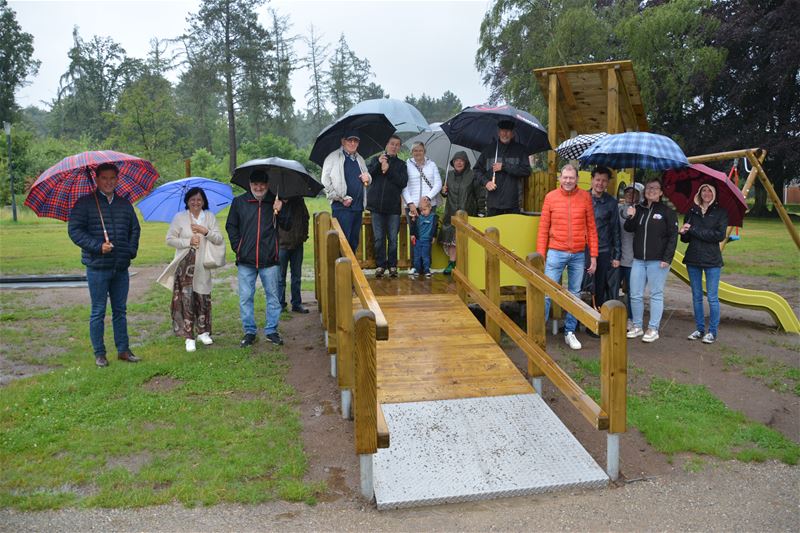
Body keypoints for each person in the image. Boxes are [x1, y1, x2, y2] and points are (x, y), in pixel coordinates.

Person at [67, 162, 141, 367]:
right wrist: (98, 246)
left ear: (117, 180)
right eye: (104, 178)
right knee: (98, 310)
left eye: (112, 178)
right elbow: (75, 231)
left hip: (120, 267)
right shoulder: (84, 204)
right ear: (97, 179)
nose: (109, 182)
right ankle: (100, 353)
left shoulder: (125, 204)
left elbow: (135, 230)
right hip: (97, 267)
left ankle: (123, 350)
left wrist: (130, 251)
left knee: (120, 310)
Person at [226, 170, 291, 347]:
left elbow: (287, 225)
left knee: (273, 297)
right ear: (250, 184)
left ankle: (271, 330)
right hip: (245, 260)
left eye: (262, 184)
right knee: (246, 297)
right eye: (255, 184)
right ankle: (249, 331)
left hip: (269, 260)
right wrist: (237, 247)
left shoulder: (275, 201)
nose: (259, 187)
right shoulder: (239, 202)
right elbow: (231, 226)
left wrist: (281, 210)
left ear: (267, 185)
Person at [536, 164, 598, 350]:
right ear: (560, 178)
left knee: (575, 295)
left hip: (579, 254)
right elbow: (543, 228)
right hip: (555, 252)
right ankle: (538, 331)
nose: (568, 180)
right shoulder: (550, 197)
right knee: (546, 293)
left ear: (577, 179)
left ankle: (569, 332)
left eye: (572, 177)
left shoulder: (585, 197)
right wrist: (541, 255)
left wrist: (593, 256)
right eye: (565, 177)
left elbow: (592, 229)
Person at [158, 187, 224, 352]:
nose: (196, 202)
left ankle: (203, 332)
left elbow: (219, 238)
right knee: (186, 299)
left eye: (199, 200)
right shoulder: (180, 218)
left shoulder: (209, 216)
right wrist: (188, 241)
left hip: (203, 265)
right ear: (187, 201)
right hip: (185, 264)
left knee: (203, 297)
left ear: (204, 201)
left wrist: (205, 231)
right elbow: (170, 239)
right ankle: (189, 337)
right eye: (192, 200)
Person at [623, 177, 678, 343]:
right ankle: (638, 326)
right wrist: (630, 216)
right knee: (635, 294)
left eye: (655, 188)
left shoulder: (667, 212)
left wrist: (667, 258)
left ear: (661, 192)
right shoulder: (638, 209)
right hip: (639, 260)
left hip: (658, 261)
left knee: (655, 294)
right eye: (648, 188)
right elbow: (628, 228)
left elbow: (673, 237)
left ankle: (653, 328)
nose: (651, 191)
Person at [679, 183, 728, 344]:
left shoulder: (721, 213)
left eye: (710, 191)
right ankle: (700, 329)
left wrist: (693, 230)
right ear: (699, 193)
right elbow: (686, 239)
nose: (706, 193)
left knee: (712, 298)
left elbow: (718, 236)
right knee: (697, 297)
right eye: (704, 190)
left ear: (714, 194)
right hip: (693, 259)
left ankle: (712, 332)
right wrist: (684, 231)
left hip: (712, 260)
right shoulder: (692, 212)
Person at [321, 130, 371, 253]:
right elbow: (325, 181)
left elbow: (367, 176)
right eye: (350, 140)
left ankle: (349, 272)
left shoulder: (360, 159)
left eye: (356, 141)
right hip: (342, 207)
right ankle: (340, 271)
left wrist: (368, 178)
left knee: (354, 242)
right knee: (342, 242)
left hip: (358, 207)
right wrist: (340, 198)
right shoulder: (333, 157)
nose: (353, 143)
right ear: (343, 141)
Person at [366, 135, 408, 278]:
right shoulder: (375, 160)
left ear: (399, 147)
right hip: (376, 207)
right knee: (378, 238)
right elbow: (368, 175)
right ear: (386, 145)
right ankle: (380, 265)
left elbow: (402, 182)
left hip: (393, 208)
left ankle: (392, 265)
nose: (394, 146)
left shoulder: (402, 165)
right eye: (392, 144)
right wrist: (379, 164)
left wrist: (388, 170)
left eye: (397, 144)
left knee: (393, 239)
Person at [474, 120, 532, 215]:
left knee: (512, 230)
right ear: (498, 132)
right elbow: (476, 170)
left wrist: (504, 167)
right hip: (492, 203)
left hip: (513, 204)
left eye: (508, 131)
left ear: (513, 133)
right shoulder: (489, 150)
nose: (505, 134)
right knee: (493, 229)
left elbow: (526, 171)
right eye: (502, 131)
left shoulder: (520, 150)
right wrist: (486, 182)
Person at [439, 151, 483, 274]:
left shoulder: (472, 175)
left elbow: (480, 195)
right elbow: (444, 194)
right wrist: (443, 191)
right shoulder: (449, 175)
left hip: (468, 213)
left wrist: (481, 212)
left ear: (466, 162)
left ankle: (465, 266)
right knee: (452, 240)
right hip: (451, 213)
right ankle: (452, 263)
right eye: (456, 160)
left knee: (465, 240)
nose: (458, 162)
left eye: (461, 160)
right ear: (452, 162)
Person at [403, 142, 442, 273]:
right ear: (412, 152)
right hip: (413, 206)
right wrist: (410, 203)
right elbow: (404, 185)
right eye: (415, 150)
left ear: (424, 151)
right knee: (415, 236)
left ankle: (426, 266)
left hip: (429, 205)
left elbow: (438, 183)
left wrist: (428, 197)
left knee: (428, 236)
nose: (417, 153)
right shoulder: (407, 165)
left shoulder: (432, 165)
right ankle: (414, 266)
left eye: (420, 150)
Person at [587, 166, 621, 310]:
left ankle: (597, 317)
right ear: (592, 180)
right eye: (597, 180)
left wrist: (617, 255)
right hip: (584, 248)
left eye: (604, 181)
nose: (600, 183)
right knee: (582, 285)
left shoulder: (611, 203)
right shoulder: (583, 197)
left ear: (607, 183)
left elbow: (615, 229)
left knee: (599, 285)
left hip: (603, 249)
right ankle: (576, 321)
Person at [618, 182, 644, 326]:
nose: (630, 195)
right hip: (618, 257)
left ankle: (632, 319)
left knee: (632, 292)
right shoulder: (619, 209)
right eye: (628, 192)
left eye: (634, 193)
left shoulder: (642, 211)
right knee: (613, 288)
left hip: (633, 259)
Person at [278, 196, 310, 314]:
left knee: (296, 276)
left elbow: (305, 217)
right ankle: (280, 304)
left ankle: (296, 303)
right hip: (281, 244)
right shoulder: (276, 200)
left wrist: (304, 235)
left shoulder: (299, 200)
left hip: (297, 244)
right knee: (280, 277)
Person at [410, 196, 438, 278]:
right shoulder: (418, 217)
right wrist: (412, 234)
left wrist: (433, 236)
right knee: (417, 256)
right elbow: (413, 227)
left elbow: (435, 227)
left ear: (430, 208)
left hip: (427, 241)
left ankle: (426, 270)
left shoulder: (433, 217)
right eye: (421, 210)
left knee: (425, 256)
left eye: (425, 210)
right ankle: (417, 270)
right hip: (418, 240)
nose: (423, 212)